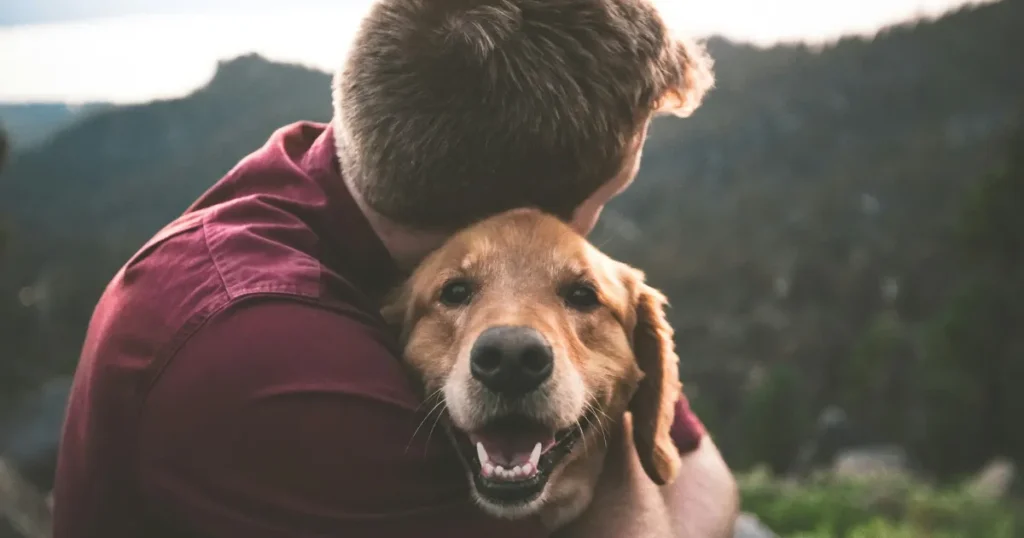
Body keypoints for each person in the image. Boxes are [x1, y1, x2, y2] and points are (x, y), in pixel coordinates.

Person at [51, 0, 736, 537]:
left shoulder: (350, 177)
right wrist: (608, 421)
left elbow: (705, 473)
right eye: (607, 197)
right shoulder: (269, 363)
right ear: (520, 214)